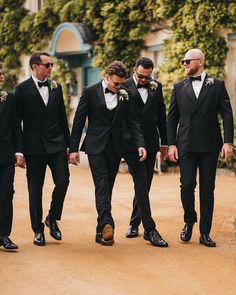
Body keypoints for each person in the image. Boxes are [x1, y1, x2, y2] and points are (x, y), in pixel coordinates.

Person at [69, 61, 147, 246]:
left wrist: (140, 144)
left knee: (107, 187)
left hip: (115, 147)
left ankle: (100, 231)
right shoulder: (90, 91)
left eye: (121, 83)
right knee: (102, 183)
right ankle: (107, 223)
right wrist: (73, 149)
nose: (119, 87)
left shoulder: (124, 95)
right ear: (106, 76)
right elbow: (79, 120)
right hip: (95, 146)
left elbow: (133, 122)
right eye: (116, 84)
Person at [167, 48, 234, 247]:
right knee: (187, 186)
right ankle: (189, 220)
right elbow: (172, 119)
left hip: (209, 145)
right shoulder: (178, 87)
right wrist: (171, 144)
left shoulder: (217, 85)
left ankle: (205, 232)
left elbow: (227, 114)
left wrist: (228, 141)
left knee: (208, 190)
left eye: (187, 61)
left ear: (200, 62)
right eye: (183, 61)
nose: (184, 64)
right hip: (186, 145)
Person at [14, 52, 70, 246]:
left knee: (63, 181)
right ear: (35, 66)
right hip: (33, 147)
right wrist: (19, 151)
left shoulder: (56, 87)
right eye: (47, 65)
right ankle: (38, 229)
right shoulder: (21, 90)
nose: (50, 68)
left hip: (56, 144)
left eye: (51, 65)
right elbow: (16, 122)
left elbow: (62, 117)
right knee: (35, 190)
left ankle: (52, 218)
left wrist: (70, 146)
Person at [123, 57, 168, 247]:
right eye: (141, 76)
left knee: (145, 183)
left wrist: (164, 143)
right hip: (131, 143)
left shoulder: (156, 87)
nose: (143, 80)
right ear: (134, 70)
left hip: (150, 142)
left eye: (147, 78)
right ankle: (149, 229)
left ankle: (134, 223)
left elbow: (161, 115)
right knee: (141, 181)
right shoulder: (122, 86)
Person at [0, 63, 24, 250]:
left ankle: (4, 235)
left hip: (6, 156)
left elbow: (17, 127)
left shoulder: (9, 98)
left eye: (1, 73)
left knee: (7, 194)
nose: (1, 76)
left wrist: (19, 152)